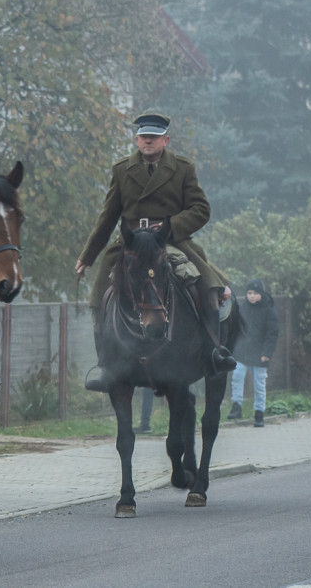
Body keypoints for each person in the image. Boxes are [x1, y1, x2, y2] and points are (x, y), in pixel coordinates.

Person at [75, 113, 235, 392]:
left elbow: (201, 209)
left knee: (207, 284)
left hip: (170, 240)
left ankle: (214, 352)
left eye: (154, 136)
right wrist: (87, 256)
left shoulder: (183, 168)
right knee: (100, 291)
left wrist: (171, 226)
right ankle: (106, 364)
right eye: (144, 136)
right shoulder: (122, 169)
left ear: (165, 140)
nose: (148, 141)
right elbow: (108, 216)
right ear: (137, 140)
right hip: (131, 241)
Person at [227, 278, 279, 427]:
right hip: (242, 353)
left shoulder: (269, 311)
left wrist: (267, 353)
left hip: (260, 355)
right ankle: (236, 406)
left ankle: (259, 414)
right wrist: (233, 349)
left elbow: (272, 334)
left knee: (259, 384)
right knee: (237, 377)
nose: (252, 296)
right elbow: (236, 330)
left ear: (261, 294)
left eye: (255, 293)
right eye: (249, 293)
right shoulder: (242, 308)